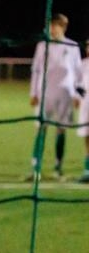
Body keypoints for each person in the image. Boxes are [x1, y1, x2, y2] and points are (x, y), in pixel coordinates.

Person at [27, 13, 84, 181]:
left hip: (65, 94)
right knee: (41, 128)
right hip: (44, 93)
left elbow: (78, 72)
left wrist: (77, 94)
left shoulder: (72, 46)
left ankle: (58, 167)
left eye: (55, 26)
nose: (51, 29)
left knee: (61, 129)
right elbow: (36, 70)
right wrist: (33, 93)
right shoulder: (42, 45)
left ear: (63, 27)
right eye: (50, 26)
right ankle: (35, 167)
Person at [78, 39, 89, 183]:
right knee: (87, 136)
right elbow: (78, 85)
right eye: (87, 46)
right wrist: (79, 96)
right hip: (86, 104)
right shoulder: (83, 64)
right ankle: (87, 170)